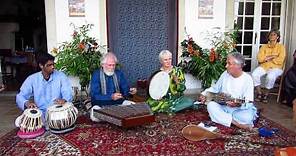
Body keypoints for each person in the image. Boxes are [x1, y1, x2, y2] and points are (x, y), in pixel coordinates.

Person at [198, 52, 257, 130]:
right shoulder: (225, 74)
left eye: (229, 64)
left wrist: (237, 104)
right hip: (224, 106)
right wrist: (204, 94)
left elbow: (248, 102)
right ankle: (236, 124)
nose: (226, 66)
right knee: (211, 105)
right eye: (227, 63)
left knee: (247, 118)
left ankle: (223, 118)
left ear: (238, 66)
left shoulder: (248, 79)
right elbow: (215, 88)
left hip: (239, 110)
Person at [16, 52, 73, 120]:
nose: (53, 67)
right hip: (41, 113)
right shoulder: (32, 79)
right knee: (21, 122)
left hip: (58, 111)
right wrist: (27, 103)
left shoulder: (61, 76)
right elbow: (20, 96)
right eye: (49, 65)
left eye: (53, 64)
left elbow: (67, 92)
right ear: (41, 65)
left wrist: (64, 100)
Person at [89, 52, 137, 121]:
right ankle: (116, 117)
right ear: (103, 65)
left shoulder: (119, 73)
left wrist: (130, 91)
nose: (112, 68)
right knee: (95, 116)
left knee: (134, 107)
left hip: (118, 104)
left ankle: (113, 117)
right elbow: (95, 95)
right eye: (109, 65)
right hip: (101, 105)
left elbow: (125, 90)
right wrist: (111, 97)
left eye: (113, 65)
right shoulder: (96, 74)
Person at [252, 29, 286, 103]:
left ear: (277, 37)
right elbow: (260, 58)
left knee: (270, 77)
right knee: (254, 74)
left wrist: (268, 58)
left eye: (274, 35)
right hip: (264, 66)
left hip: (276, 68)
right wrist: (272, 57)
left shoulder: (281, 47)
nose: (272, 36)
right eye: (271, 34)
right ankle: (259, 93)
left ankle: (266, 94)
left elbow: (280, 60)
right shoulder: (264, 46)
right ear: (268, 36)